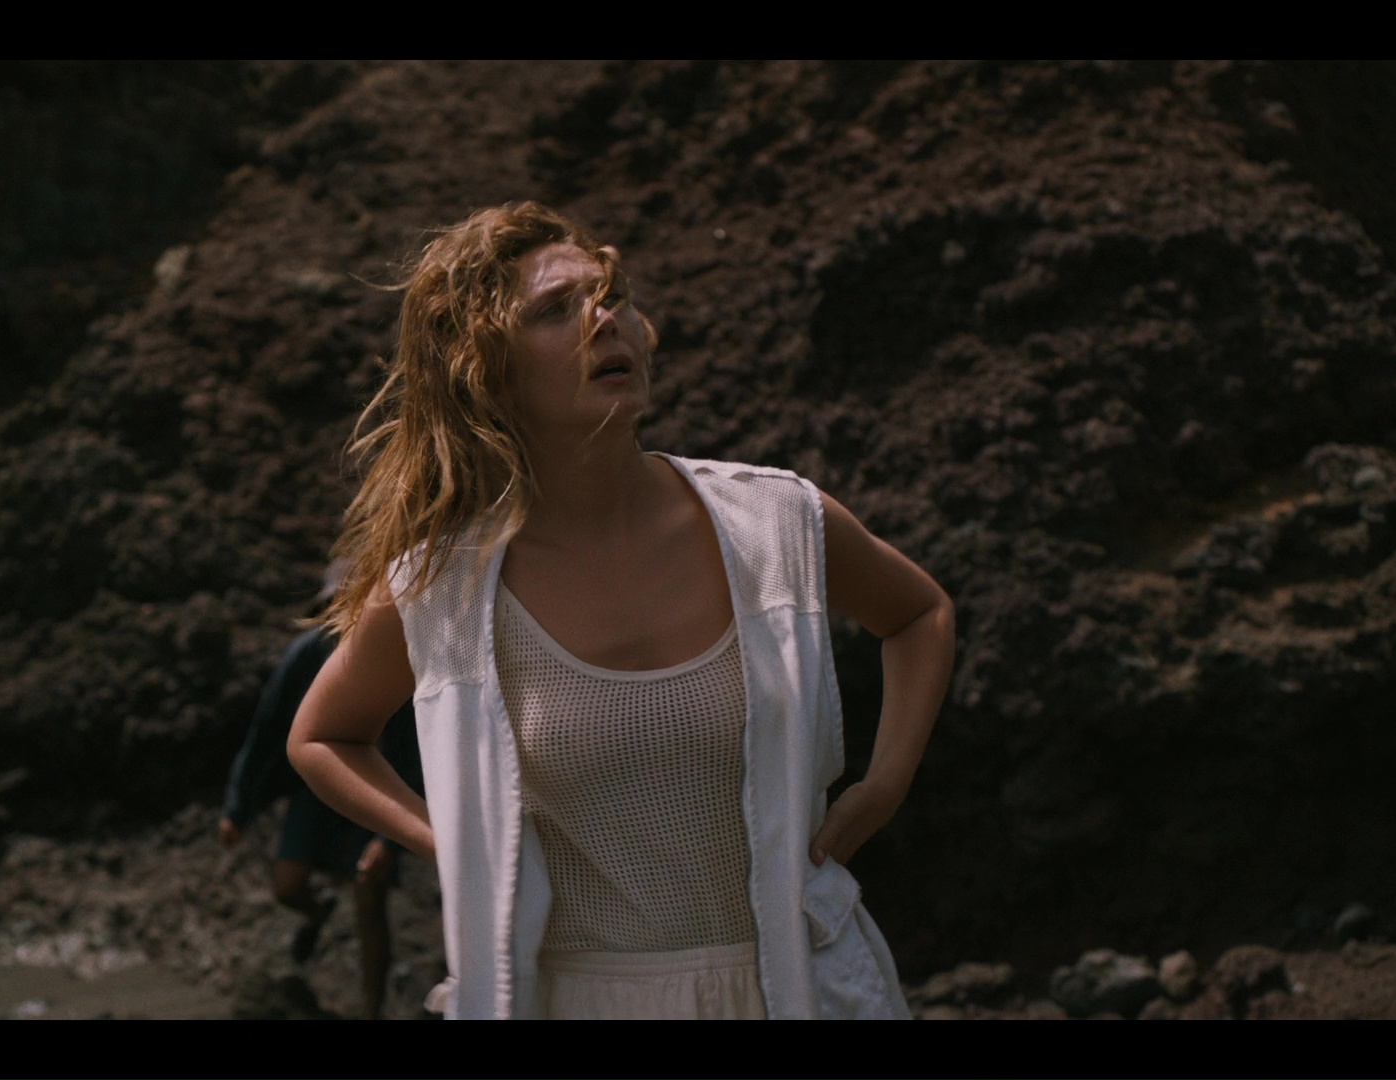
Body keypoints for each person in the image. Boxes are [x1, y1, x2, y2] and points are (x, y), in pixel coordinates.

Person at [288, 202, 954, 1020]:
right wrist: (459, 848)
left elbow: (919, 614)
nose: (604, 320)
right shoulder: (447, 589)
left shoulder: (775, 521)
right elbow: (321, 738)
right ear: (487, 374)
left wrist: (883, 785)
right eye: (554, 310)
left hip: (807, 983)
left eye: (614, 297)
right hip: (581, 996)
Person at [220, 580, 421, 1020]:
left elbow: (414, 751)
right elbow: (267, 729)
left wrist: (390, 840)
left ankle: (372, 1010)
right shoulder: (307, 654)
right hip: (316, 789)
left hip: (378, 789)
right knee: (287, 887)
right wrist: (237, 807)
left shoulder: (397, 652)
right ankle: (316, 913)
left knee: (369, 896)